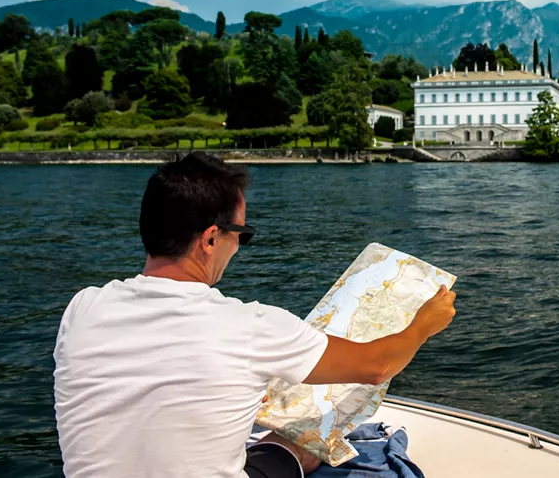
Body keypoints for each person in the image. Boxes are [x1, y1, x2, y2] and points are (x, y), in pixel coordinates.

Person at [52, 152, 457, 477]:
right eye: (242, 235)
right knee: (296, 447)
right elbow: (377, 365)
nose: (240, 246)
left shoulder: (83, 307)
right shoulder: (249, 326)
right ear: (211, 238)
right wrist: (425, 322)